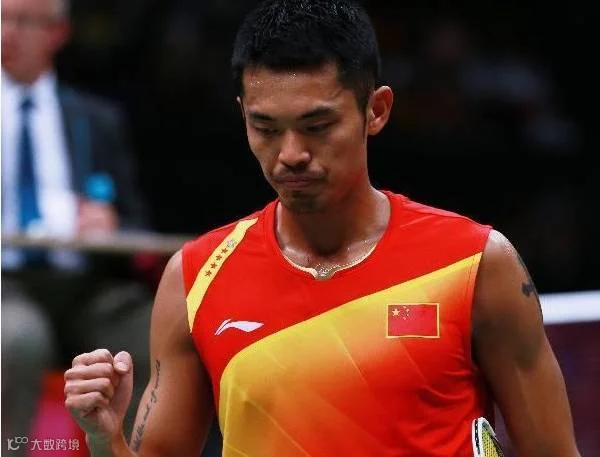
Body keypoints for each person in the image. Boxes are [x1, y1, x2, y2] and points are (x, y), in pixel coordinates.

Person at [64, 1, 581, 455]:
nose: (290, 154)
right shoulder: (194, 278)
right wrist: (105, 440)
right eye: (265, 128)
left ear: (376, 110)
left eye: (317, 126)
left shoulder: (476, 263)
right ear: (243, 116)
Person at [1, 0, 152, 449]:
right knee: (14, 339)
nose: (6, 33)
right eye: (0, 18)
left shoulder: (96, 119)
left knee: (152, 332)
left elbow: (137, 224)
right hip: (7, 285)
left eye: (23, 21)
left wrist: (112, 221)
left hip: (85, 284)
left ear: (57, 32)